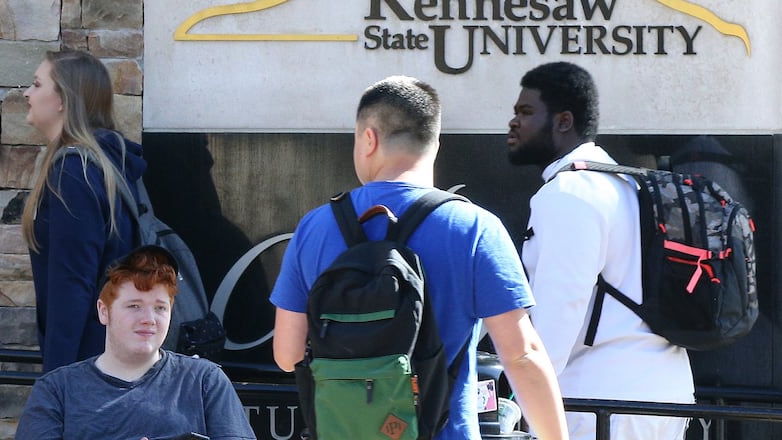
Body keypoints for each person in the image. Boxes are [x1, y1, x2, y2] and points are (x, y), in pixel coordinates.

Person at [270, 76, 568, 439]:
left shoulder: (314, 227)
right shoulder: (474, 228)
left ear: (369, 139)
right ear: (435, 144)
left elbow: (287, 355)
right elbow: (522, 356)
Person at [506, 61, 694, 439]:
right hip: (663, 395)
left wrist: (522, 403)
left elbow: (559, 313)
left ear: (563, 121)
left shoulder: (569, 193)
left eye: (525, 112)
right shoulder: (629, 185)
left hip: (599, 404)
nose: (513, 122)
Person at [15, 246, 257, 440]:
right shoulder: (57, 391)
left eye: (160, 308)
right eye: (134, 306)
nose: (149, 319)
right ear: (104, 311)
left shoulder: (205, 381)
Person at [21, 49, 146, 372]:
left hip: (89, 371)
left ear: (62, 99)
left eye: (37, 85)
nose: (27, 93)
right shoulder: (109, 165)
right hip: (110, 363)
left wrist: (57, 385)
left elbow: (72, 287)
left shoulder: (74, 174)